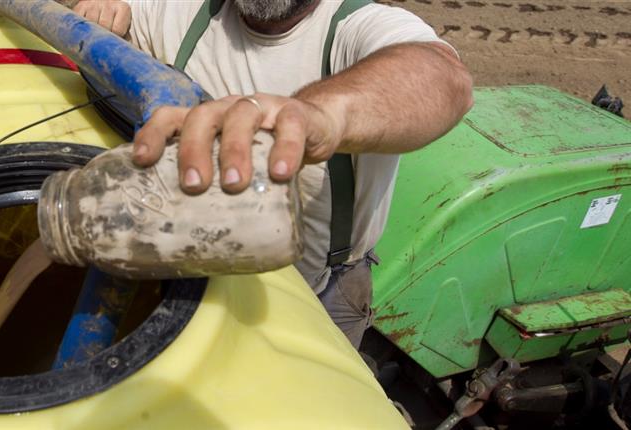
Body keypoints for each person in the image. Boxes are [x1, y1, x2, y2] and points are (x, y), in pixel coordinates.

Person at [70, 0, 473, 348]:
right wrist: (108, 10)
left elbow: (442, 77)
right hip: (200, 272)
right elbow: (116, 13)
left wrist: (319, 113)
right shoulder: (189, 12)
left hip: (319, 292)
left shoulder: (355, 27)